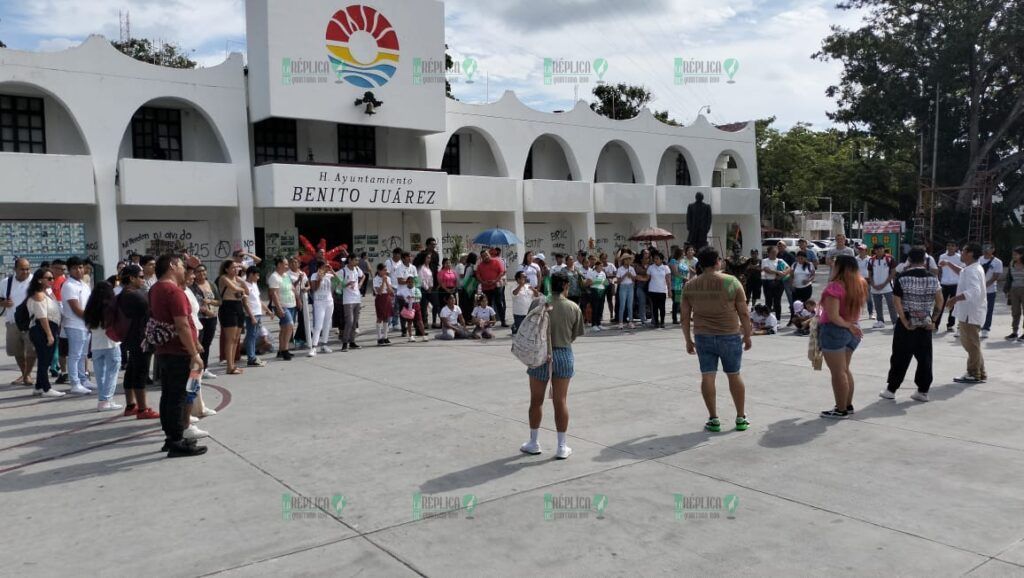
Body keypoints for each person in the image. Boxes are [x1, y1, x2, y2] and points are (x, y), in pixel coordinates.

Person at [680, 246, 752, 433]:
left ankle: (713, 419)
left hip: (703, 336)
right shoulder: (731, 282)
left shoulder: (690, 285)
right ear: (717, 261)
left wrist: (688, 339)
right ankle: (740, 417)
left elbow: (685, 316)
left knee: (708, 376)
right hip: (729, 335)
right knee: (734, 374)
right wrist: (748, 334)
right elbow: (744, 312)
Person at [520, 271, 585, 460]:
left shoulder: (537, 303)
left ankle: (533, 442)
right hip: (563, 353)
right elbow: (575, 334)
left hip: (540, 354)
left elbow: (530, 326)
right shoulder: (573, 307)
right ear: (566, 285)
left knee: (536, 400)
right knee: (560, 401)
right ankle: (562, 445)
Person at [149, 255, 206, 457]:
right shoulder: (174, 291)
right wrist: (194, 353)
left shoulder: (155, 289)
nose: (184, 270)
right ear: (172, 266)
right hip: (178, 351)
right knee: (178, 397)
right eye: (181, 266)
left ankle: (171, 437)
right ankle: (176, 441)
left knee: (169, 396)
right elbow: (182, 325)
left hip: (165, 350)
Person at [880, 248, 942, 402]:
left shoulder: (902, 277)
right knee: (925, 357)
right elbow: (940, 301)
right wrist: (933, 320)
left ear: (909, 260)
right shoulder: (933, 278)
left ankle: (891, 389)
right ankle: (923, 391)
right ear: (925, 260)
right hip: (925, 322)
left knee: (900, 356)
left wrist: (904, 320)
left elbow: (897, 301)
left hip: (907, 321)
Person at [818, 255, 867, 419]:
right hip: (853, 331)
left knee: (838, 373)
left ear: (840, 267)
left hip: (836, 331)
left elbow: (833, 316)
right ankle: (847, 405)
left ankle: (840, 409)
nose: (832, 266)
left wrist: (848, 325)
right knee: (845, 370)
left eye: (835, 264)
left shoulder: (835, 287)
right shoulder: (860, 284)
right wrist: (851, 326)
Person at [117, 265, 158, 418]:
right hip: (141, 339)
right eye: (140, 277)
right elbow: (153, 310)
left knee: (132, 370)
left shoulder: (124, 294)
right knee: (140, 372)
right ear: (131, 278)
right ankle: (142, 409)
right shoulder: (135, 296)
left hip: (131, 337)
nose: (143, 279)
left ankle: (131, 405)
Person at [949, 243, 988, 384]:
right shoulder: (972, 268)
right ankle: (980, 372)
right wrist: (948, 264)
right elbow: (962, 272)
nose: (961, 253)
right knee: (973, 345)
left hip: (970, 313)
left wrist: (954, 299)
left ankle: (973, 374)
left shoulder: (972, 270)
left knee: (971, 345)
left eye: (963, 251)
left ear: (970, 254)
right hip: (970, 312)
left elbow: (974, 291)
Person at [82, 281, 124, 410]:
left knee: (100, 375)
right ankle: (106, 400)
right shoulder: (110, 306)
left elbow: (88, 326)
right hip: (111, 343)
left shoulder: (90, 307)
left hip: (96, 344)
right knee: (112, 373)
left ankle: (103, 399)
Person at [26, 268, 65, 397]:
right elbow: (42, 316)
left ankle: (38, 386)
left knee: (45, 358)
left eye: (52, 278)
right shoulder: (38, 294)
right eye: (48, 278)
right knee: (45, 360)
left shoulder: (46, 292)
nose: (52, 280)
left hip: (48, 328)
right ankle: (46, 388)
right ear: (39, 280)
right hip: (42, 329)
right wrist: (49, 334)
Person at [62, 256, 95, 395]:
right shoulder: (69, 285)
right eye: (75, 268)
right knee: (75, 355)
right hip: (74, 325)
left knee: (83, 354)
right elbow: (75, 308)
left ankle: (83, 379)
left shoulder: (84, 284)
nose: (79, 270)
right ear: (69, 270)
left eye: (81, 267)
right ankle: (75, 383)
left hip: (85, 325)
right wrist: (91, 319)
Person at [2, 258, 35, 386]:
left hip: (31, 322)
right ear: (15, 269)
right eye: (22, 269)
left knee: (32, 350)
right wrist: (3, 303)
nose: (25, 271)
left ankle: (26, 375)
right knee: (17, 351)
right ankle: (25, 374)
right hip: (13, 322)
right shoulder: (6, 282)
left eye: (27, 268)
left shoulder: (35, 280)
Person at [216, 260, 248, 374]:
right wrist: (242, 288)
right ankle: (229, 366)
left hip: (238, 306)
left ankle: (233, 364)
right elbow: (235, 289)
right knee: (230, 339)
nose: (236, 269)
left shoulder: (238, 279)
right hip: (227, 307)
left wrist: (242, 282)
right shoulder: (223, 278)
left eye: (237, 267)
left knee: (236, 339)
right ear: (226, 269)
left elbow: (247, 291)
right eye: (233, 268)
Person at [193, 265, 219, 381]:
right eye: (198, 271)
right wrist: (204, 310)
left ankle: (205, 368)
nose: (201, 273)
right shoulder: (192, 286)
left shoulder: (211, 284)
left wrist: (211, 301)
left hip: (212, 317)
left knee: (207, 344)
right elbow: (193, 302)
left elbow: (220, 301)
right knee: (199, 344)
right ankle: (196, 369)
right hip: (200, 318)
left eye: (203, 270)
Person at [267, 257, 296, 360]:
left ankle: (280, 350)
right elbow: (273, 294)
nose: (287, 266)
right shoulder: (274, 277)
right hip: (282, 306)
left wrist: (299, 300)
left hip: (291, 304)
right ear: (279, 264)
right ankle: (285, 350)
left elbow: (292, 288)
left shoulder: (286, 275)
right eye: (285, 264)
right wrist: (279, 308)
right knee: (289, 326)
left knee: (284, 328)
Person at [242, 266, 268, 367]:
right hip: (251, 314)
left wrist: (268, 310)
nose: (258, 277)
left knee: (253, 335)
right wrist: (251, 316)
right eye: (256, 275)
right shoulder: (245, 285)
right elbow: (245, 303)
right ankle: (251, 358)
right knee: (251, 336)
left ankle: (252, 356)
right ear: (251, 274)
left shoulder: (254, 284)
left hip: (258, 313)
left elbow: (258, 300)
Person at [867, 244, 898, 329]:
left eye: (881, 249)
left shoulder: (890, 258)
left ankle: (895, 322)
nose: (879, 251)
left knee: (891, 305)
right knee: (877, 305)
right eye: (877, 249)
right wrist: (873, 284)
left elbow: (893, 272)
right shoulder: (871, 260)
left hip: (887, 286)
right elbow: (869, 273)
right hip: (875, 286)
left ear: (884, 249)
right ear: (874, 251)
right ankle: (880, 321)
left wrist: (884, 283)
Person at [309, 260, 336, 355]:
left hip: (329, 302)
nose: (326, 268)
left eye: (327, 266)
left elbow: (340, 283)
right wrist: (319, 279)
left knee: (327, 324)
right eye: (325, 266)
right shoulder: (314, 275)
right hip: (319, 302)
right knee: (318, 326)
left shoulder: (329, 275)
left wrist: (332, 271)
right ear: (320, 267)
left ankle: (324, 345)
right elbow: (314, 289)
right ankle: (313, 347)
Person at [937, 241, 964, 334]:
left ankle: (950, 325)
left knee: (953, 305)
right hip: (944, 283)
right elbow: (940, 269)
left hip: (955, 283)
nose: (950, 247)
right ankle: (935, 323)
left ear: (956, 247)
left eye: (953, 245)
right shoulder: (942, 256)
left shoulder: (959, 257)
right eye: (948, 245)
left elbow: (962, 271)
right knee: (940, 304)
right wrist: (939, 280)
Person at [340, 257, 365, 351]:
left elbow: (363, 276)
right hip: (348, 300)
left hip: (357, 298)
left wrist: (360, 284)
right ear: (350, 260)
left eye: (357, 260)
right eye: (355, 260)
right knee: (349, 321)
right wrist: (346, 284)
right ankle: (344, 343)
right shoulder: (343, 271)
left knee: (355, 322)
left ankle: (352, 342)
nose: (357, 262)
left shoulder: (357, 269)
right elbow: (336, 284)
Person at [978, 244, 1003, 339]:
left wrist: (984, 286)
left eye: (988, 248)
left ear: (993, 249)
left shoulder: (997, 262)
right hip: (977, 289)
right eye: (984, 247)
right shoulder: (978, 259)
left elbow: (995, 277)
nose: (985, 249)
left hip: (990, 290)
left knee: (988, 310)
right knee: (976, 309)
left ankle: (986, 329)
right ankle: (977, 326)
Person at [475, 249, 506, 323]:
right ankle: (489, 321)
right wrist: (483, 282)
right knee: (487, 304)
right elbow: (478, 275)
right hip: (486, 287)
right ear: (481, 258)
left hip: (496, 286)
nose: (485, 257)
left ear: (489, 254)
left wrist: (495, 280)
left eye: (486, 255)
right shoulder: (480, 265)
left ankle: (503, 321)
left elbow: (501, 272)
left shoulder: (496, 261)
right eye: (483, 256)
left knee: (499, 303)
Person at [760, 245, 789, 322]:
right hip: (767, 282)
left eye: (775, 252)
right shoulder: (765, 261)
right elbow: (766, 269)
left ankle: (778, 319)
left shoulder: (780, 260)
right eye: (772, 252)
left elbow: (789, 268)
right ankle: (768, 319)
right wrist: (777, 272)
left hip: (778, 283)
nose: (774, 254)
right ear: (768, 253)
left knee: (777, 301)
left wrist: (783, 274)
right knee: (768, 301)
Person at [288, 256, 310, 350]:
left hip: (302, 298)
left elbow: (308, 285)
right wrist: (298, 280)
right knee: (291, 321)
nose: (294, 264)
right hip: (291, 299)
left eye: (295, 262)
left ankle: (300, 339)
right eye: (292, 262)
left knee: (302, 320)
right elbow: (290, 287)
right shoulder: (287, 274)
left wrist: (307, 288)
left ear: (299, 264)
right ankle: (289, 341)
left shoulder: (302, 273)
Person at [397, 276, 428, 342]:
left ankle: (424, 335)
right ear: (407, 283)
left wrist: (414, 297)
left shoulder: (416, 290)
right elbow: (398, 295)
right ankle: (410, 336)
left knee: (420, 321)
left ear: (414, 283)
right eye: (409, 282)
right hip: (408, 306)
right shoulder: (403, 290)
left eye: (412, 282)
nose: (410, 283)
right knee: (409, 322)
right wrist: (404, 298)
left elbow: (420, 297)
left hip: (416, 305)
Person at [646, 252, 672, 328]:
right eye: (654, 258)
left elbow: (668, 280)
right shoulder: (651, 267)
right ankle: (656, 322)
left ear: (661, 260)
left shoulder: (665, 267)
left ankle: (662, 321)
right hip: (653, 290)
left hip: (662, 290)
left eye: (657, 258)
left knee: (662, 307)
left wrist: (669, 290)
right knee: (654, 307)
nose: (655, 260)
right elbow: (647, 278)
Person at [583, 256, 607, 332]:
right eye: (600, 266)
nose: (601, 267)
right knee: (595, 308)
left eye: (602, 266)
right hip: (595, 291)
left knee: (601, 308)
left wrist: (605, 283)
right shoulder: (591, 272)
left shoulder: (603, 273)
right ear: (596, 266)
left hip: (602, 291)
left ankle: (599, 323)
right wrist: (598, 281)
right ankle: (594, 324)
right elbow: (589, 282)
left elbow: (605, 282)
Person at [372, 263, 394, 346]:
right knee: (380, 318)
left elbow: (390, 291)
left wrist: (387, 282)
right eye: (384, 270)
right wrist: (383, 282)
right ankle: (379, 338)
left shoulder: (388, 278)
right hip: (380, 299)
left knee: (386, 318)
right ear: (379, 271)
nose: (386, 271)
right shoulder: (376, 279)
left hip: (387, 298)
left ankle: (385, 337)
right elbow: (379, 292)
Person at [1006, 246, 1024, 342]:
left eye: (1016, 254)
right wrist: (1007, 290)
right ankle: (1014, 332)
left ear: (1021, 255)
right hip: (1014, 290)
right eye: (1013, 254)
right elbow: (1009, 278)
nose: (1014, 256)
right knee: (1015, 312)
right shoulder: (1012, 263)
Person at [777, 241, 797, 324]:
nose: (780, 247)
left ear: (785, 247)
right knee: (777, 298)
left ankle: (793, 317)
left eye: (781, 246)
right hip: (779, 280)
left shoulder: (790, 255)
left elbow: (793, 267)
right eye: (778, 246)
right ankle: (777, 319)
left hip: (787, 279)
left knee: (790, 298)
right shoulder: (777, 256)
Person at [615, 253, 637, 329]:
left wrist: (630, 275)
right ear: (623, 260)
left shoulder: (632, 268)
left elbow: (634, 279)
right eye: (626, 259)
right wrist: (625, 275)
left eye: (629, 259)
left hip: (630, 286)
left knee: (630, 305)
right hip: (623, 287)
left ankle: (630, 321)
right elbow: (618, 281)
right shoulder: (620, 269)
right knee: (622, 305)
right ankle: (620, 322)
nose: (628, 261)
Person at [386, 247, 403, 330]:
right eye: (396, 254)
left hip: (400, 287)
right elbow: (386, 274)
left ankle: (395, 323)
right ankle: (388, 323)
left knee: (397, 306)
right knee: (390, 306)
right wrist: (389, 287)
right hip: (391, 287)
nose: (397, 256)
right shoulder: (388, 262)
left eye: (399, 255)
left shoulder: (401, 263)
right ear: (394, 254)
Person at [855, 244, 874, 319]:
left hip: (867, 280)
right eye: (859, 249)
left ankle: (871, 313)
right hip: (857, 280)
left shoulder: (870, 259)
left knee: (868, 298)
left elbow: (873, 270)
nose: (861, 251)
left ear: (866, 251)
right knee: (857, 298)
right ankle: (856, 314)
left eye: (862, 250)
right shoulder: (855, 259)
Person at [669, 247, 687, 324]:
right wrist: (684, 277)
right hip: (675, 284)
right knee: (676, 302)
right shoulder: (673, 261)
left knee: (679, 302)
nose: (684, 254)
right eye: (683, 252)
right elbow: (675, 273)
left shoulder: (681, 262)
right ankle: (674, 319)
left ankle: (680, 318)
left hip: (680, 284)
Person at [418, 253, 435, 328]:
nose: (429, 259)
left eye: (430, 258)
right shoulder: (421, 267)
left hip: (430, 289)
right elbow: (421, 279)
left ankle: (434, 321)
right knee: (424, 306)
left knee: (435, 304)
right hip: (424, 289)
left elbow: (430, 279)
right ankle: (424, 323)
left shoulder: (429, 267)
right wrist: (427, 288)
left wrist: (431, 287)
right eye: (427, 257)